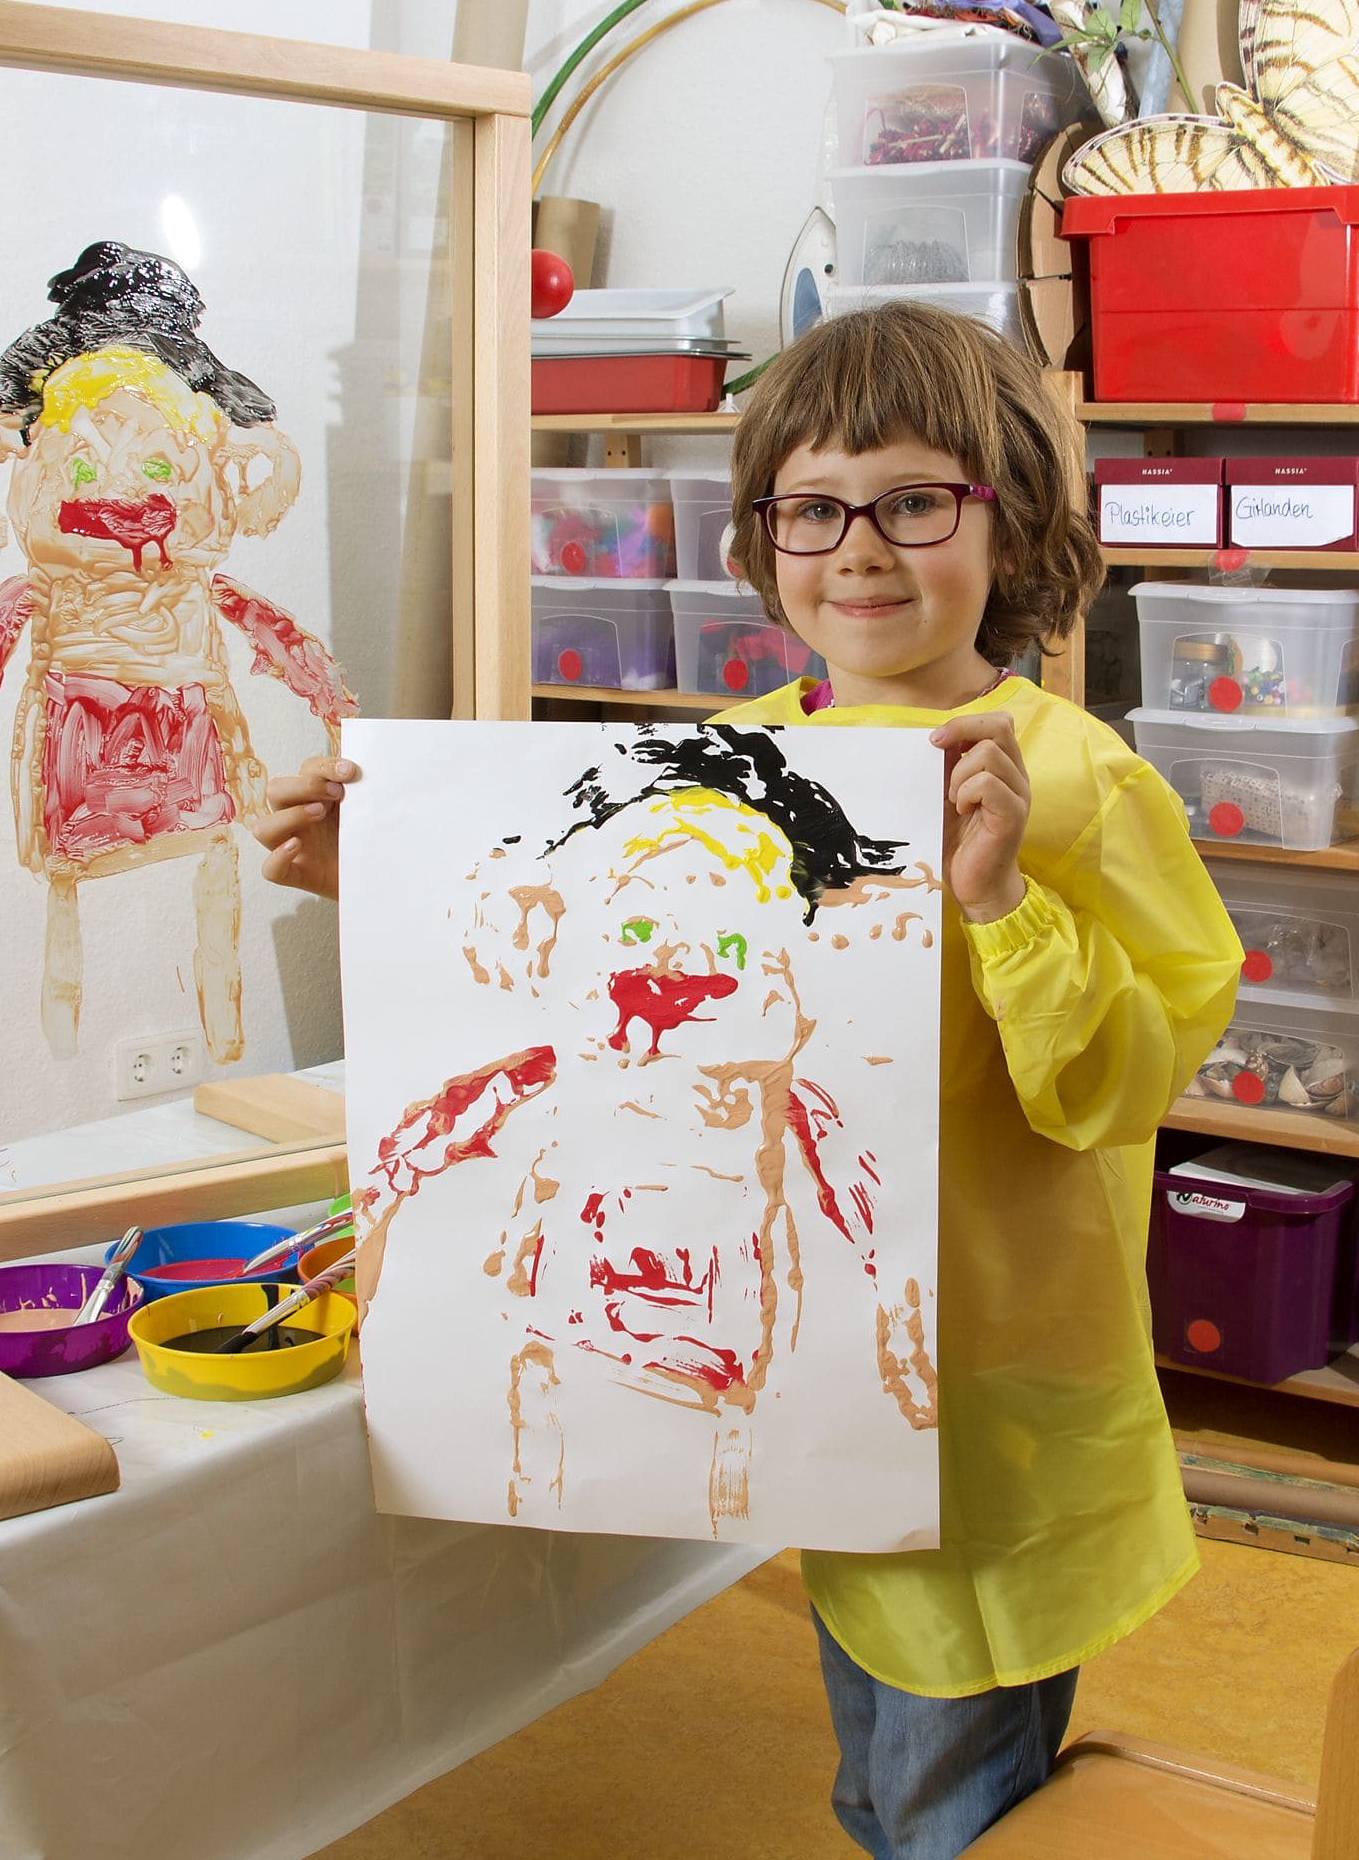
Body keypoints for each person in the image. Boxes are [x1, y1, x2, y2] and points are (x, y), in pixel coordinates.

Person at [250, 299, 1240, 1859]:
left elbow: (1123, 1083)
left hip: (993, 1391)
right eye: (813, 509)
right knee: (875, 1755)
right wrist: (369, 887)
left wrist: (999, 899)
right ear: (765, 537)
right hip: (813, 1363)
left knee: (950, 1788)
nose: (861, 552)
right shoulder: (732, 757)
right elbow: (592, 984)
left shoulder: (1075, 778)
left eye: (916, 504)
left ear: (1009, 519)